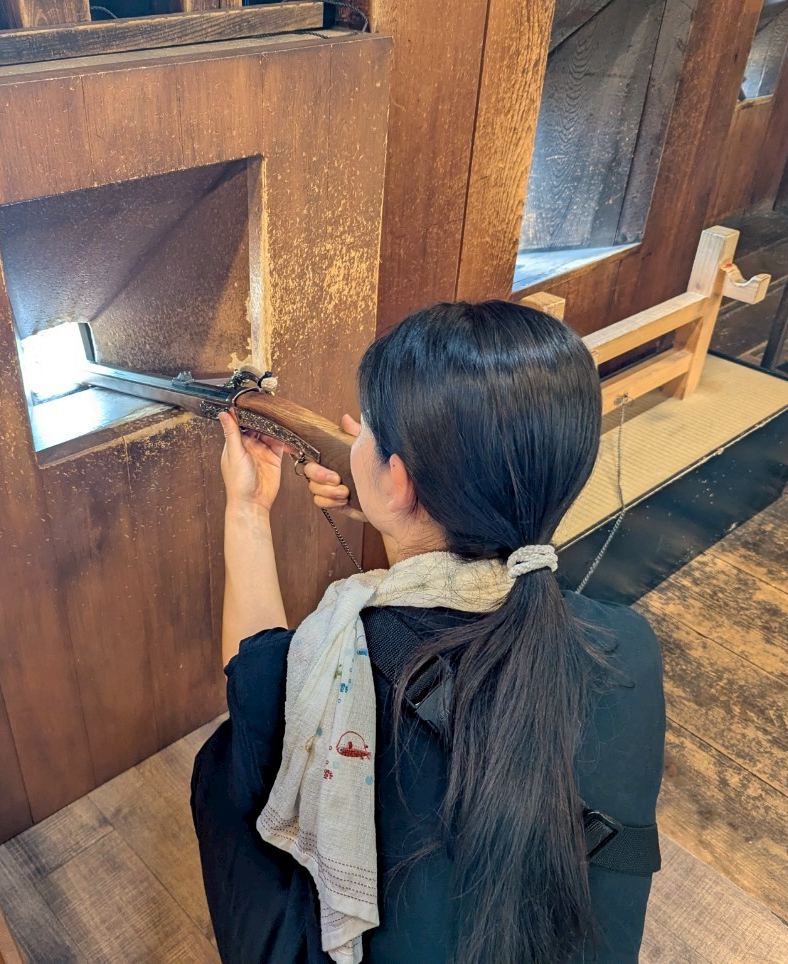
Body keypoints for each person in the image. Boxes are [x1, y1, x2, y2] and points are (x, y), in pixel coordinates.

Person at [191, 301, 665, 964]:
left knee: (226, 772)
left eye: (366, 428)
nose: (353, 435)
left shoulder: (340, 662)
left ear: (400, 479)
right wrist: (404, 519)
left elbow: (256, 674)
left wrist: (247, 507)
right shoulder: (630, 646)